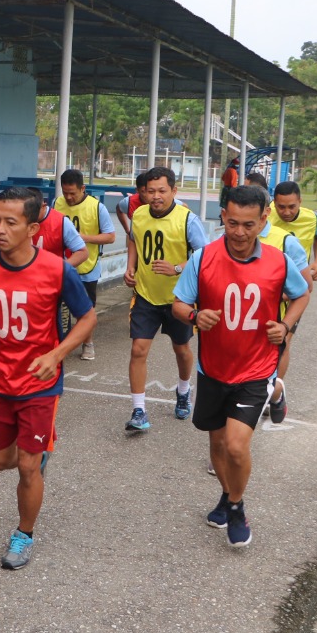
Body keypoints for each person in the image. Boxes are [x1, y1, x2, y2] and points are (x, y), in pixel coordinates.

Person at [171, 184, 310, 547]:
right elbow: (179, 305)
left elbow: (301, 293)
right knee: (216, 445)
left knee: (235, 446)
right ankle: (227, 493)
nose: (239, 232)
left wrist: (286, 325)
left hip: (256, 368)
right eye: (232, 223)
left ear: (264, 219)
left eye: (249, 224)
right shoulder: (203, 258)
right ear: (223, 218)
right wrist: (195, 316)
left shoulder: (278, 261)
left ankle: (236, 505)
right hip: (212, 369)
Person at [0, 187, 96, 570]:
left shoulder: (57, 269)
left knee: (26, 466)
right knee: (0, 462)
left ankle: (23, 535)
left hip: (40, 383)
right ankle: (37, 453)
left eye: (10, 222)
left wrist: (56, 354)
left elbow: (87, 317)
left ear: (33, 228)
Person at [123, 166, 209, 433]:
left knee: (181, 349)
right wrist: (130, 266)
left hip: (178, 299)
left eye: (162, 190)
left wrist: (177, 268)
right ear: (143, 192)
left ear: (174, 190)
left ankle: (183, 390)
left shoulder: (187, 220)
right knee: (138, 350)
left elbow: (205, 254)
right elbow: (134, 239)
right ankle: (139, 410)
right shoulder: (138, 214)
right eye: (151, 191)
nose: (156, 196)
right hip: (146, 295)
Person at [269, 180, 317, 405]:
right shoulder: (265, 219)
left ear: (300, 202)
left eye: (291, 206)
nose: (286, 212)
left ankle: (275, 392)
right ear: (273, 204)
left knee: (283, 341)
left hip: (294, 291)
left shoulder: (312, 218)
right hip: (266, 289)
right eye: (281, 206)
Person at [55, 169, 116, 361]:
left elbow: (110, 236)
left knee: (86, 309)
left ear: (83, 188)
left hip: (87, 267)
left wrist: (82, 238)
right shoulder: (58, 203)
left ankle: (87, 343)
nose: (69, 197)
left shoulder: (97, 208)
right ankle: (60, 343)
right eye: (65, 193)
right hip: (63, 265)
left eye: (73, 193)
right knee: (58, 307)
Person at [115, 169, 150, 238]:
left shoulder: (168, 203)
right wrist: (127, 230)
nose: (147, 195)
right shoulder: (128, 202)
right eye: (143, 191)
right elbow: (118, 209)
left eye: (150, 191)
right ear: (137, 190)